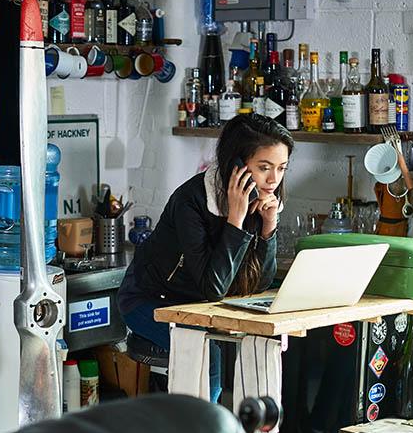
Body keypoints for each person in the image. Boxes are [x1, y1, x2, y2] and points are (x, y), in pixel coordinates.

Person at [118, 114, 293, 402]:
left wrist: (268, 227)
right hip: (149, 302)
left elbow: (259, 284)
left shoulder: (264, 198)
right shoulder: (192, 200)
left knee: (262, 344)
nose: (274, 179)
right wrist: (235, 219)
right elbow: (210, 287)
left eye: (281, 168)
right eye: (264, 168)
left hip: (198, 307)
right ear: (236, 165)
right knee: (205, 354)